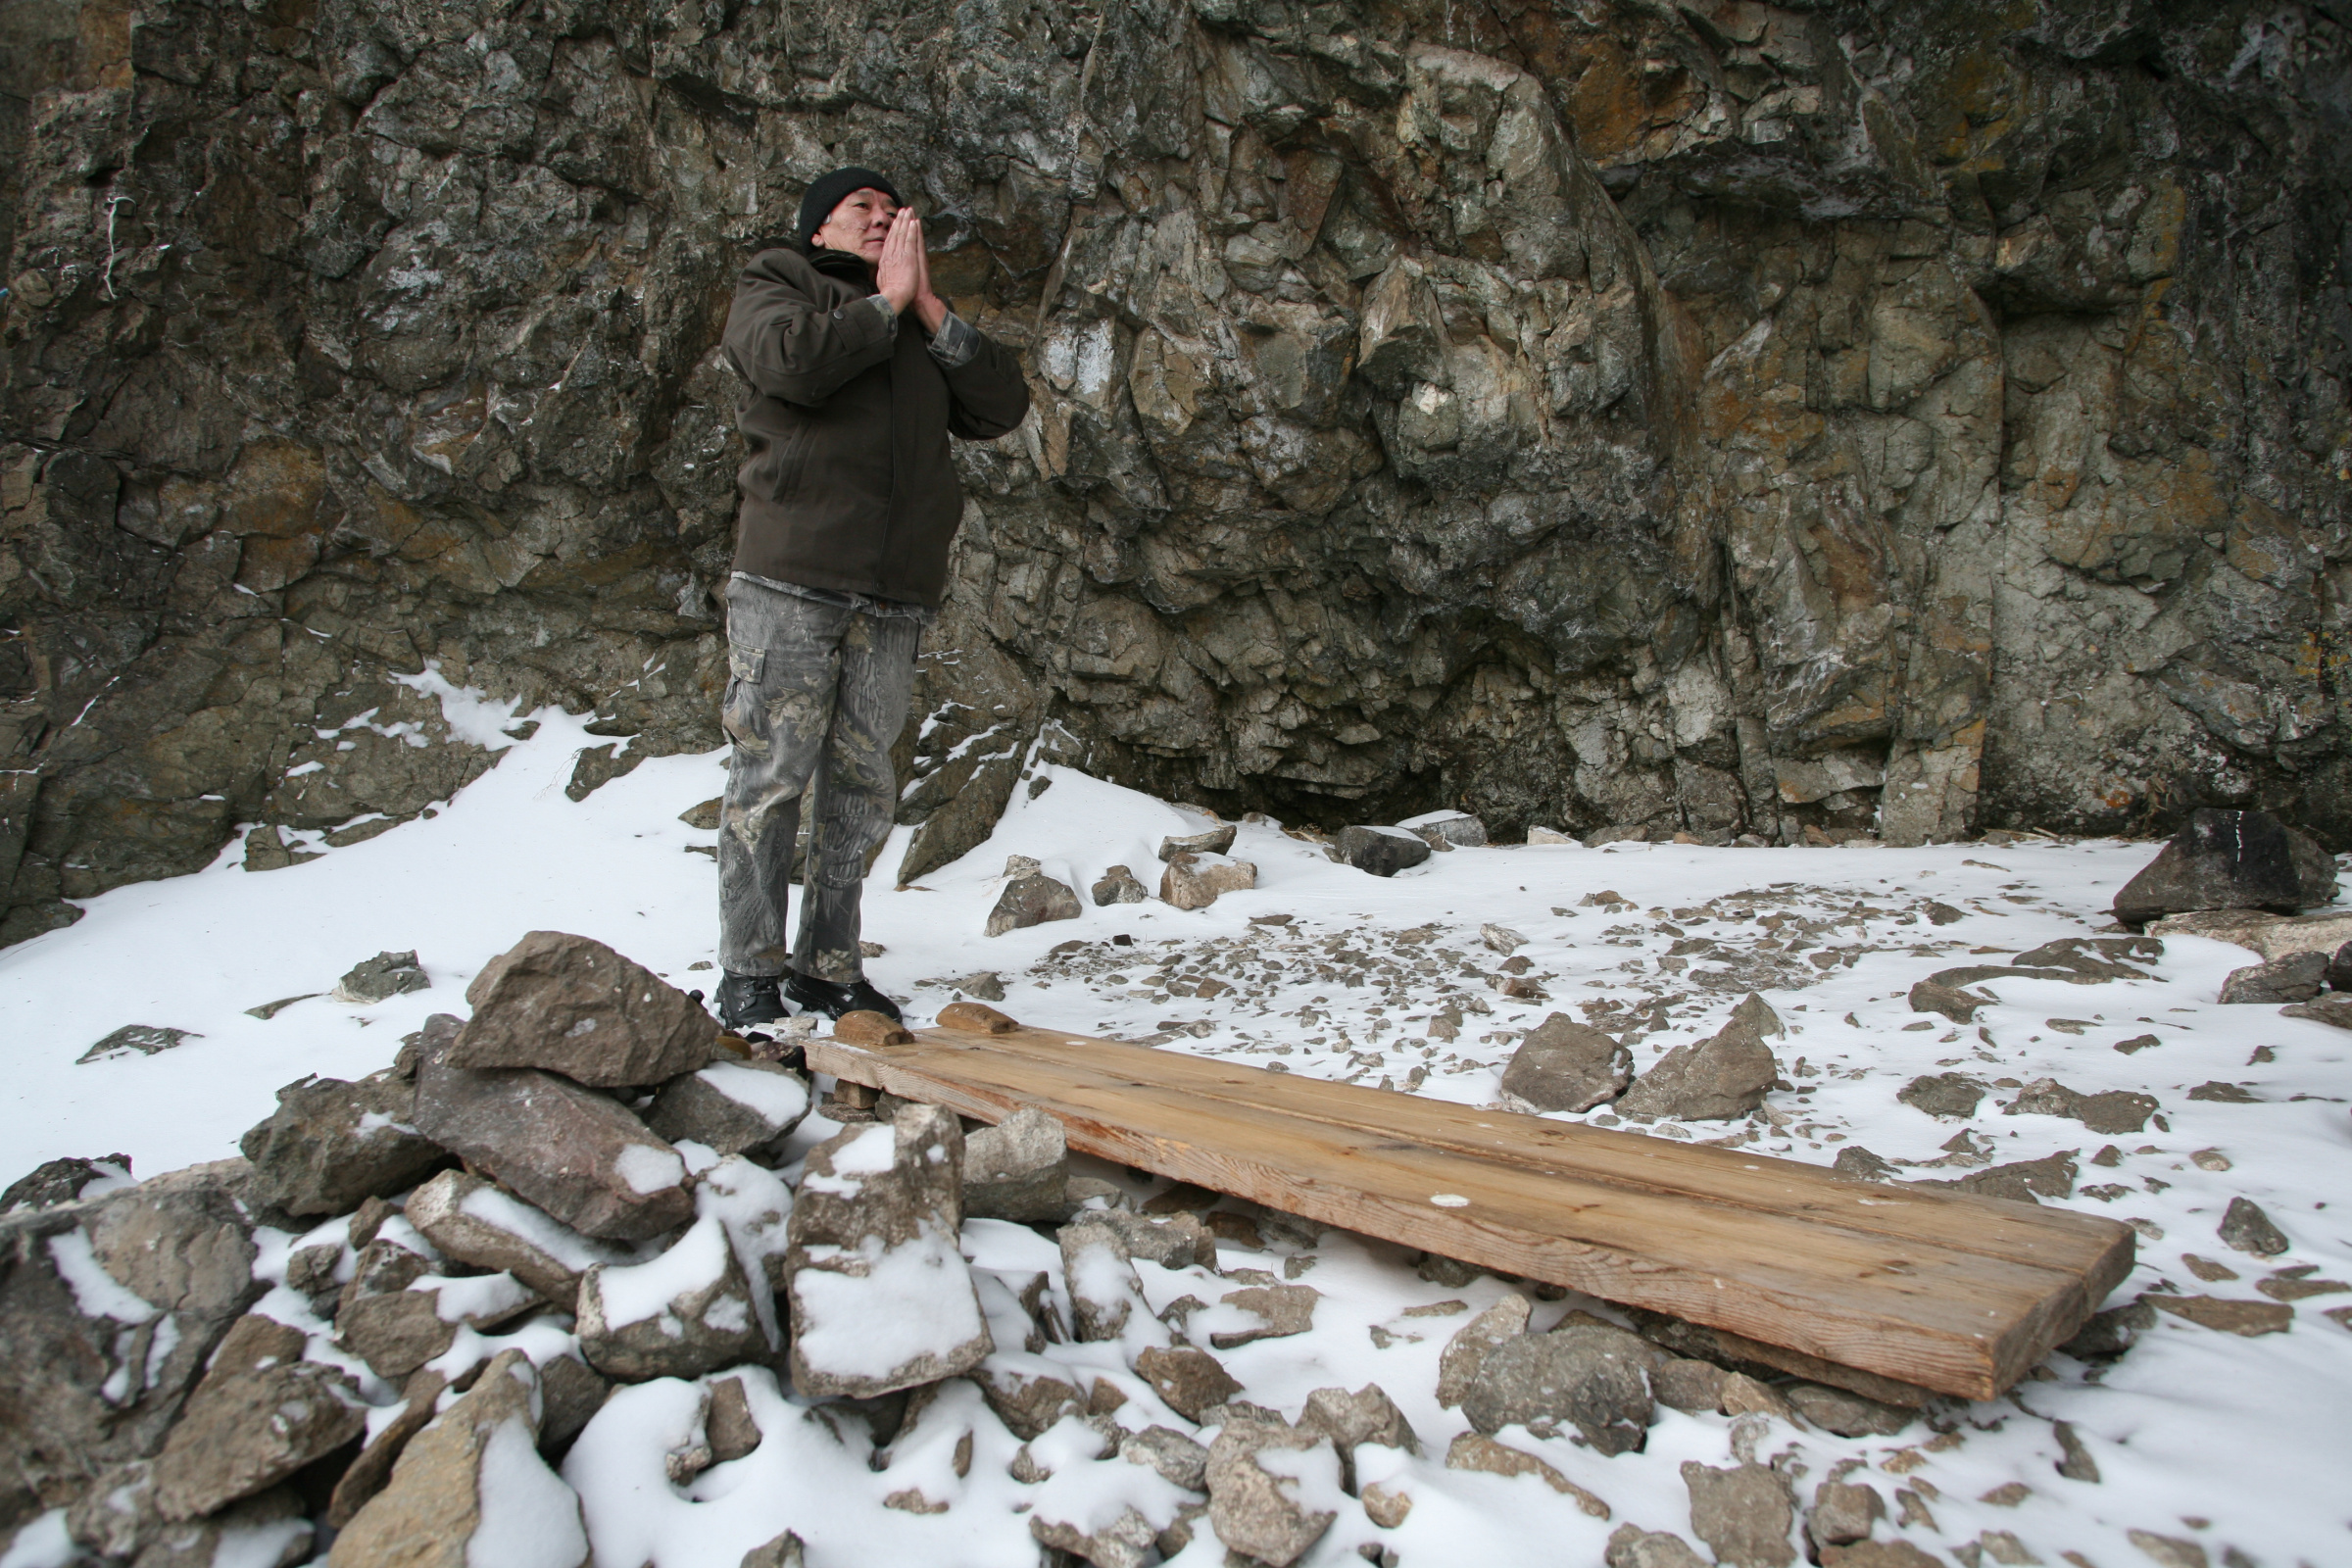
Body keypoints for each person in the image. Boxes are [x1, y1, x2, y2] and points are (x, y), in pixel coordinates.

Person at [710, 167, 1031, 1030]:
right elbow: (789, 364)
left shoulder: (920, 319)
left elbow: (1002, 405)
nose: (883, 222)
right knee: (771, 778)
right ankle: (748, 973)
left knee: (861, 787)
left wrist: (925, 308)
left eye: (896, 215)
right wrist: (883, 307)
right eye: (864, 211)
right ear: (819, 227)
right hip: (792, 579)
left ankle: (828, 966)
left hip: (892, 594)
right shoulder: (781, 283)